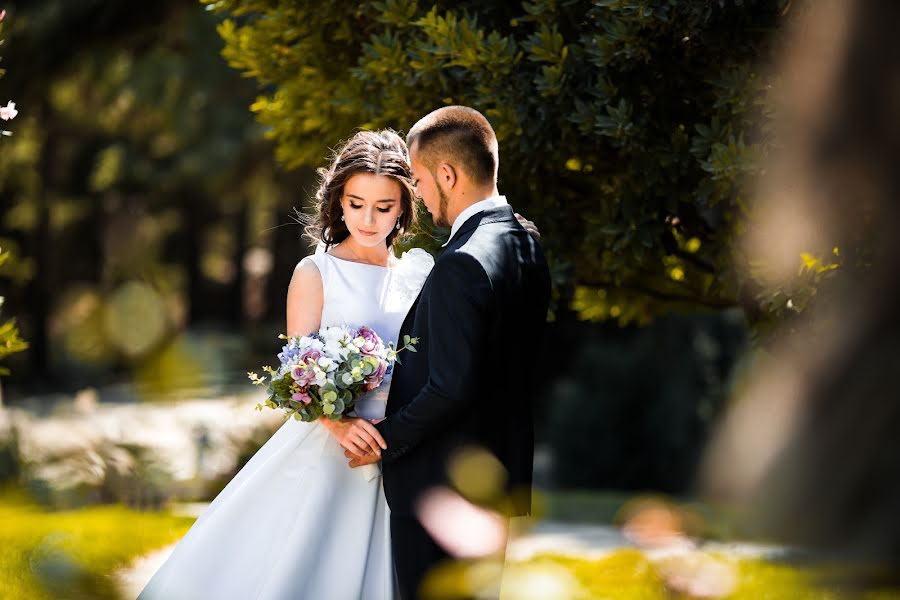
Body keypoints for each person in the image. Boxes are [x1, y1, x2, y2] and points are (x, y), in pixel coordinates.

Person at [138, 126, 541, 599]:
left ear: (405, 206)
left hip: (405, 446)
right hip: (335, 451)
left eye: (384, 207)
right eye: (355, 204)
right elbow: (297, 375)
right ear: (338, 202)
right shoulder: (316, 272)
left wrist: (392, 436)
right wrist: (340, 425)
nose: (368, 220)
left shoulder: (423, 271)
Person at [347, 106, 552, 599]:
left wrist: (381, 440)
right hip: (495, 478)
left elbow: (450, 384)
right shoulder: (525, 240)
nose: (416, 193)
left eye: (417, 179)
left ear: (447, 174)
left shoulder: (461, 262)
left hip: (440, 486)